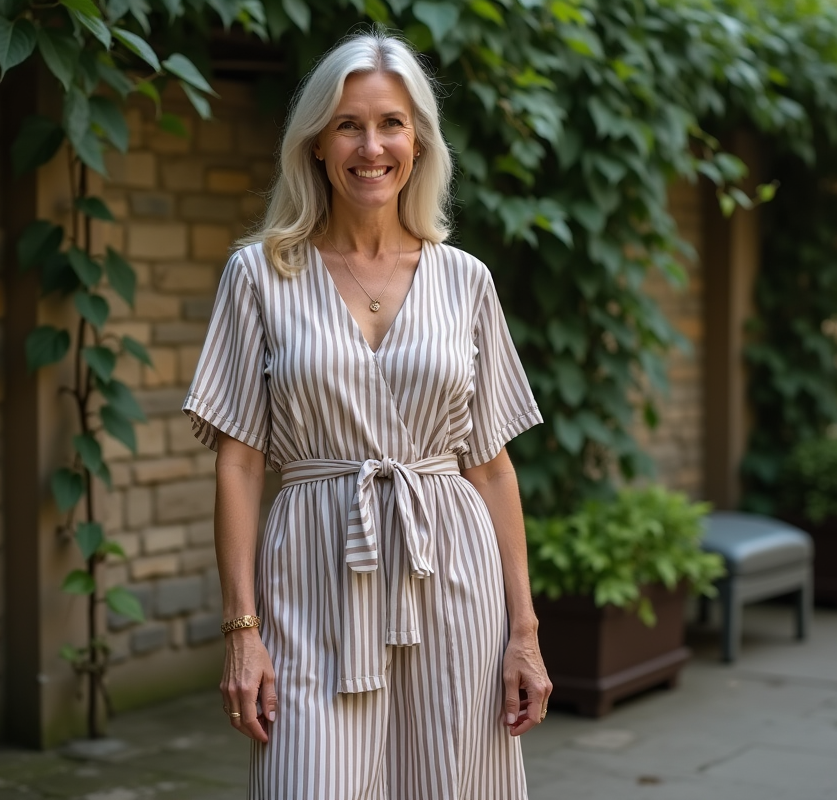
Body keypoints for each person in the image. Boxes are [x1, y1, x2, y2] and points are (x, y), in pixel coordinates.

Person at [182, 29, 552, 799]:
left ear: (418, 142)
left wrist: (524, 633)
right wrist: (241, 634)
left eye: (390, 123)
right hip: (314, 575)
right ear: (316, 143)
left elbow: (489, 464)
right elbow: (241, 462)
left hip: (450, 570)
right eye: (349, 124)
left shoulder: (466, 281)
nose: (370, 145)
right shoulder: (259, 275)